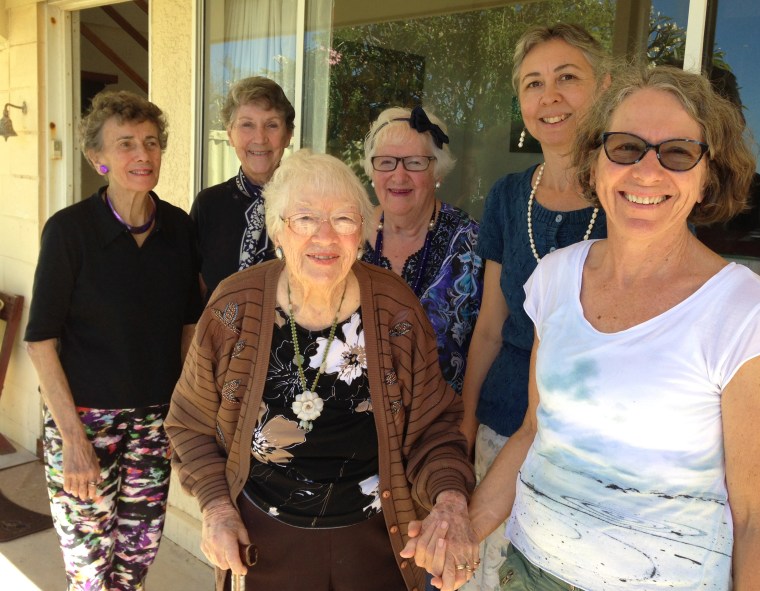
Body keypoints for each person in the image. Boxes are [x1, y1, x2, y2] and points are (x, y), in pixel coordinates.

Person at [459, 65, 760, 590]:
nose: (648, 171)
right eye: (626, 147)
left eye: (678, 152)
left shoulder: (750, 315)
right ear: (595, 163)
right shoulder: (555, 276)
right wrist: (465, 533)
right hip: (526, 571)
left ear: (709, 177)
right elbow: (534, 431)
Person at [165, 150, 477, 591]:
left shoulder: (396, 309)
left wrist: (450, 504)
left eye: (345, 220)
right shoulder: (233, 305)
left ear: (364, 233)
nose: (325, 236)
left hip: (377, 541)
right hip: (265, 540)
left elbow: (435, 429)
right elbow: (189, 423)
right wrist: (216, 507)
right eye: (305, 219)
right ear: (277, 230)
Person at [25, 90, 202, 590]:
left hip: (154, 423)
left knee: (136, 559)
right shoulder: (69, 232)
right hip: (84, 423)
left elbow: (189, 328)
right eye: (125, 144)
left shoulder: (179, 229)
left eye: (150, 142)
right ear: (97, 158)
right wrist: (73, 442)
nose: (142, 155)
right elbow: (41, 341)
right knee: (87, 568)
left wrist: (182, 416)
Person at [457, 23, 609, 590]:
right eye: (533, 83)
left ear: (606, 86)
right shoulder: (508, 196)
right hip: (503, 420)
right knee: (484, 567)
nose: (550, 97)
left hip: (585, 440)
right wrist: (466, 418)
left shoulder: (636, 194)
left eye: (568, 77)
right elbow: (491, 325)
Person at [361, 106, 483, 394]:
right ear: (372, 170)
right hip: (356, 420)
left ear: (436, 171)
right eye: (386, 162)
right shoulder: (345, 235)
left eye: (415, 163)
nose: (399, 175)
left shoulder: (473, 242)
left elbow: (487, 344)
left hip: (440, 421)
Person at [191, 76, 295, 301]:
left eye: (272, 125)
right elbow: (193, 294)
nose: (260, 138)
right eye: (247, 124)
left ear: (288, 135)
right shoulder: (208, 205)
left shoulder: (307, 203)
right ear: (230, 134)